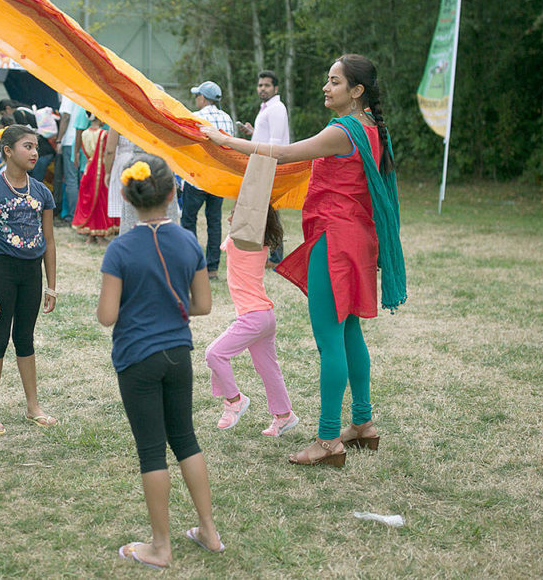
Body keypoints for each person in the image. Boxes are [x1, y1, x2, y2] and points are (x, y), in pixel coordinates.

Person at [202, 53, 406, 468]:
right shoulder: (370, 128)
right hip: (356, 239)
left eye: (334, 82)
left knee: (330, 339)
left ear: (357, 91)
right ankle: (363, 424)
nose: (326, 88)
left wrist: (224, 141)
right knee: (349, 334)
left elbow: (283, 152)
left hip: (336, 243)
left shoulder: (344, 129)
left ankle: (328, 439)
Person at [96, 155, 222, 569]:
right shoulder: (188, 240)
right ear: (173, 195)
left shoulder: (120, 249)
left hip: (137, 359)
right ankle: (208, 530)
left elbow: (107, 316)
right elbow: (202, 304)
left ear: (127, 198)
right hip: (178, 355)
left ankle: (161, 547)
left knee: (152, 451)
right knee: (185, 439)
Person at [0, 124, 58, 435]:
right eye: (27, 146)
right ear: (8, 151)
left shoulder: (42, 192)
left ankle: (33, 406)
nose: (35, 152)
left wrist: (51, 284)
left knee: (25, 338)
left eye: (36, 146)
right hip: (3, 272)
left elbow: (49, 241)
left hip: (31, 274)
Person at [205, 206, 297, 436]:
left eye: (235, 213)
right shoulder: (260, 243)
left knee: (214, 354)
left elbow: (225, 241)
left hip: (253, 318)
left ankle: (234, 401)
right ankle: (284, 415)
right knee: (268, 368)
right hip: (265, 316)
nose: (229, 217)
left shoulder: (241, 241)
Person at [181, 81, 233, 280]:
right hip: (219, 179)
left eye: (197, 96)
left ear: (203, 98)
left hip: (197, 177)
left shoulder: (196, 117)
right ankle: (212, 268)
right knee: (214, 222)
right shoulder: (227, 118)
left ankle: (192, 266)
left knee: (188, 221)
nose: (196, 99)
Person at [237, 70, 290, 267]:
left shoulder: (276, 108)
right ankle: (268, 254)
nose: (262, 88)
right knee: (265, 211)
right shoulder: (266, 108)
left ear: (275, 88)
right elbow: (267, 137)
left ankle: (276, 258)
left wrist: (267, 169)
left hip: (269, 166)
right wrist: (253, 132)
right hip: (261, 164)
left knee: (271, 211)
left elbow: (276, 142)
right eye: (260, 85)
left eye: (267, 85)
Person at [71, 116, 118, 242]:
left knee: (90, 198)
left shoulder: (84, 133)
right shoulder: (103, 134)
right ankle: (99, 233)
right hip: (100, 169)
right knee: (99, 200)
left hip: (88, 167)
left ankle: (91, 235)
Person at [55, 95, 86, 221]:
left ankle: (73, 216)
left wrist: (59, 139)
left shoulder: (69, 93)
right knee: (82, 179)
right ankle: (83, 214)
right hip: (85, 140)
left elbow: (66, 117)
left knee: (71, 180)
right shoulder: (84, 91)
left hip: (70, 141)